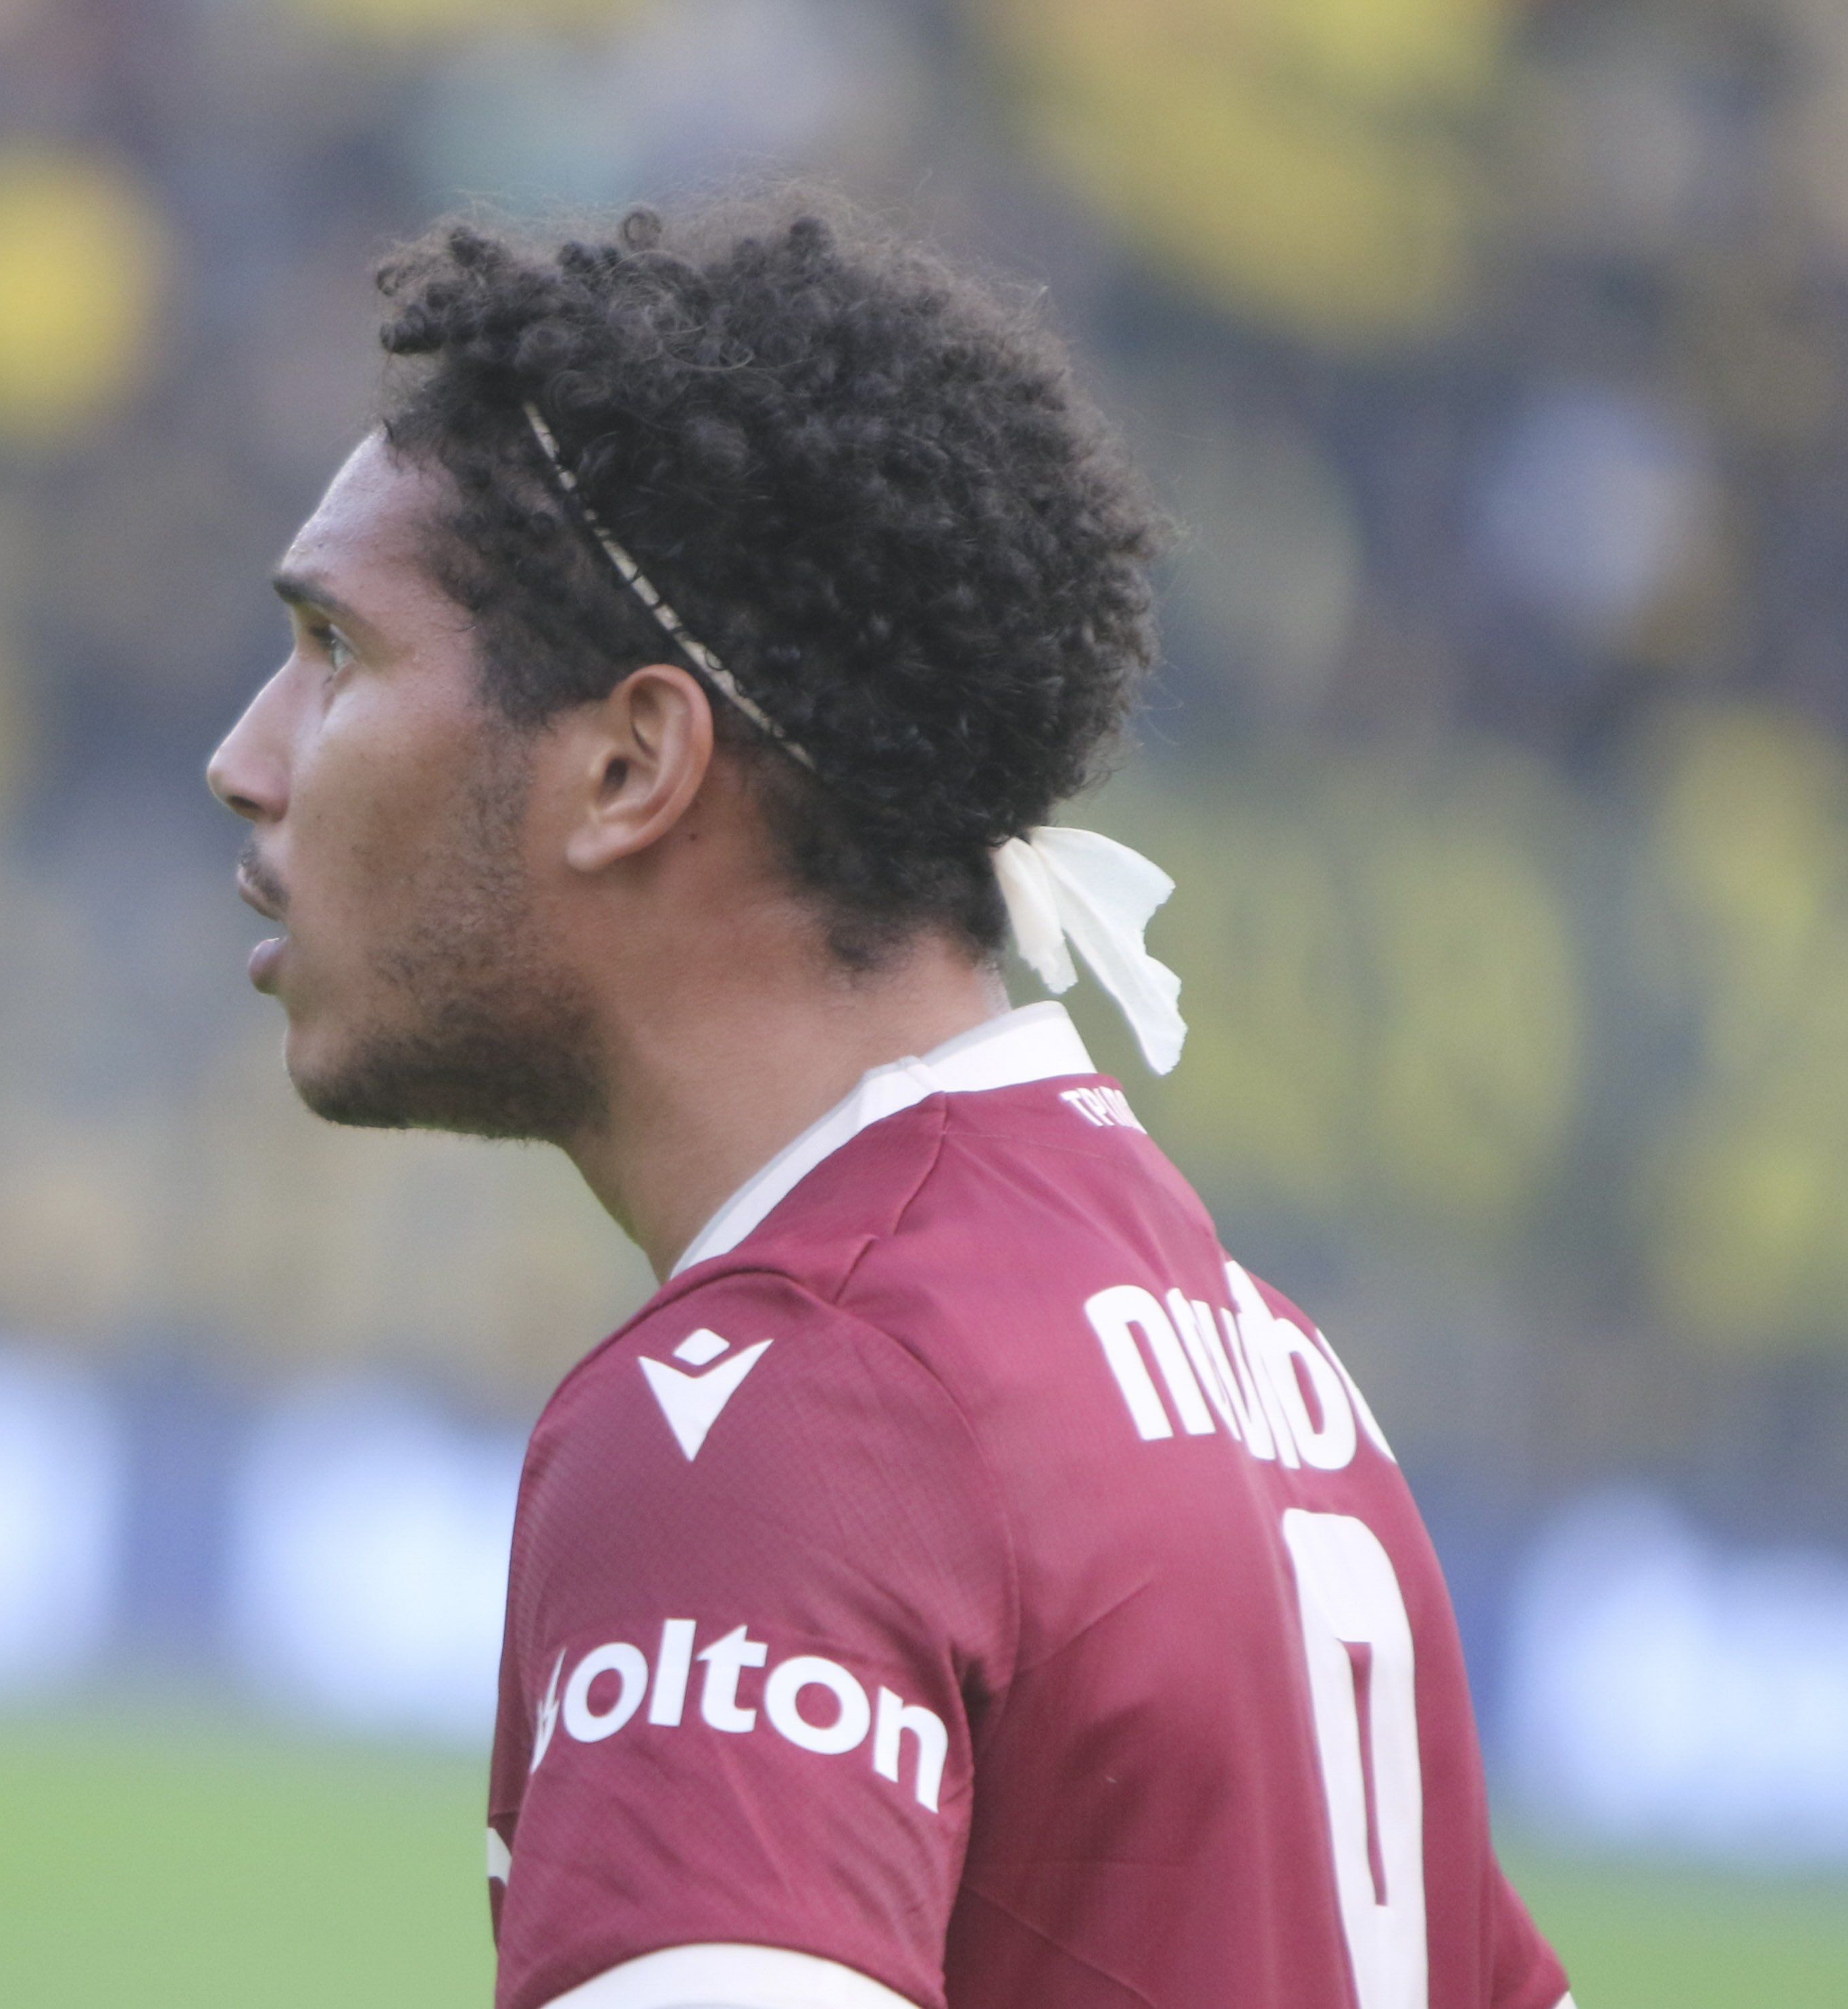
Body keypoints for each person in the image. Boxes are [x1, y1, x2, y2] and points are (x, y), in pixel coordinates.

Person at [206, 197, 1573, 2009]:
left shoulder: (790, 1405)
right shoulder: (1263, 1373)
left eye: (336, 650)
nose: (246, 759)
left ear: (629, 766)